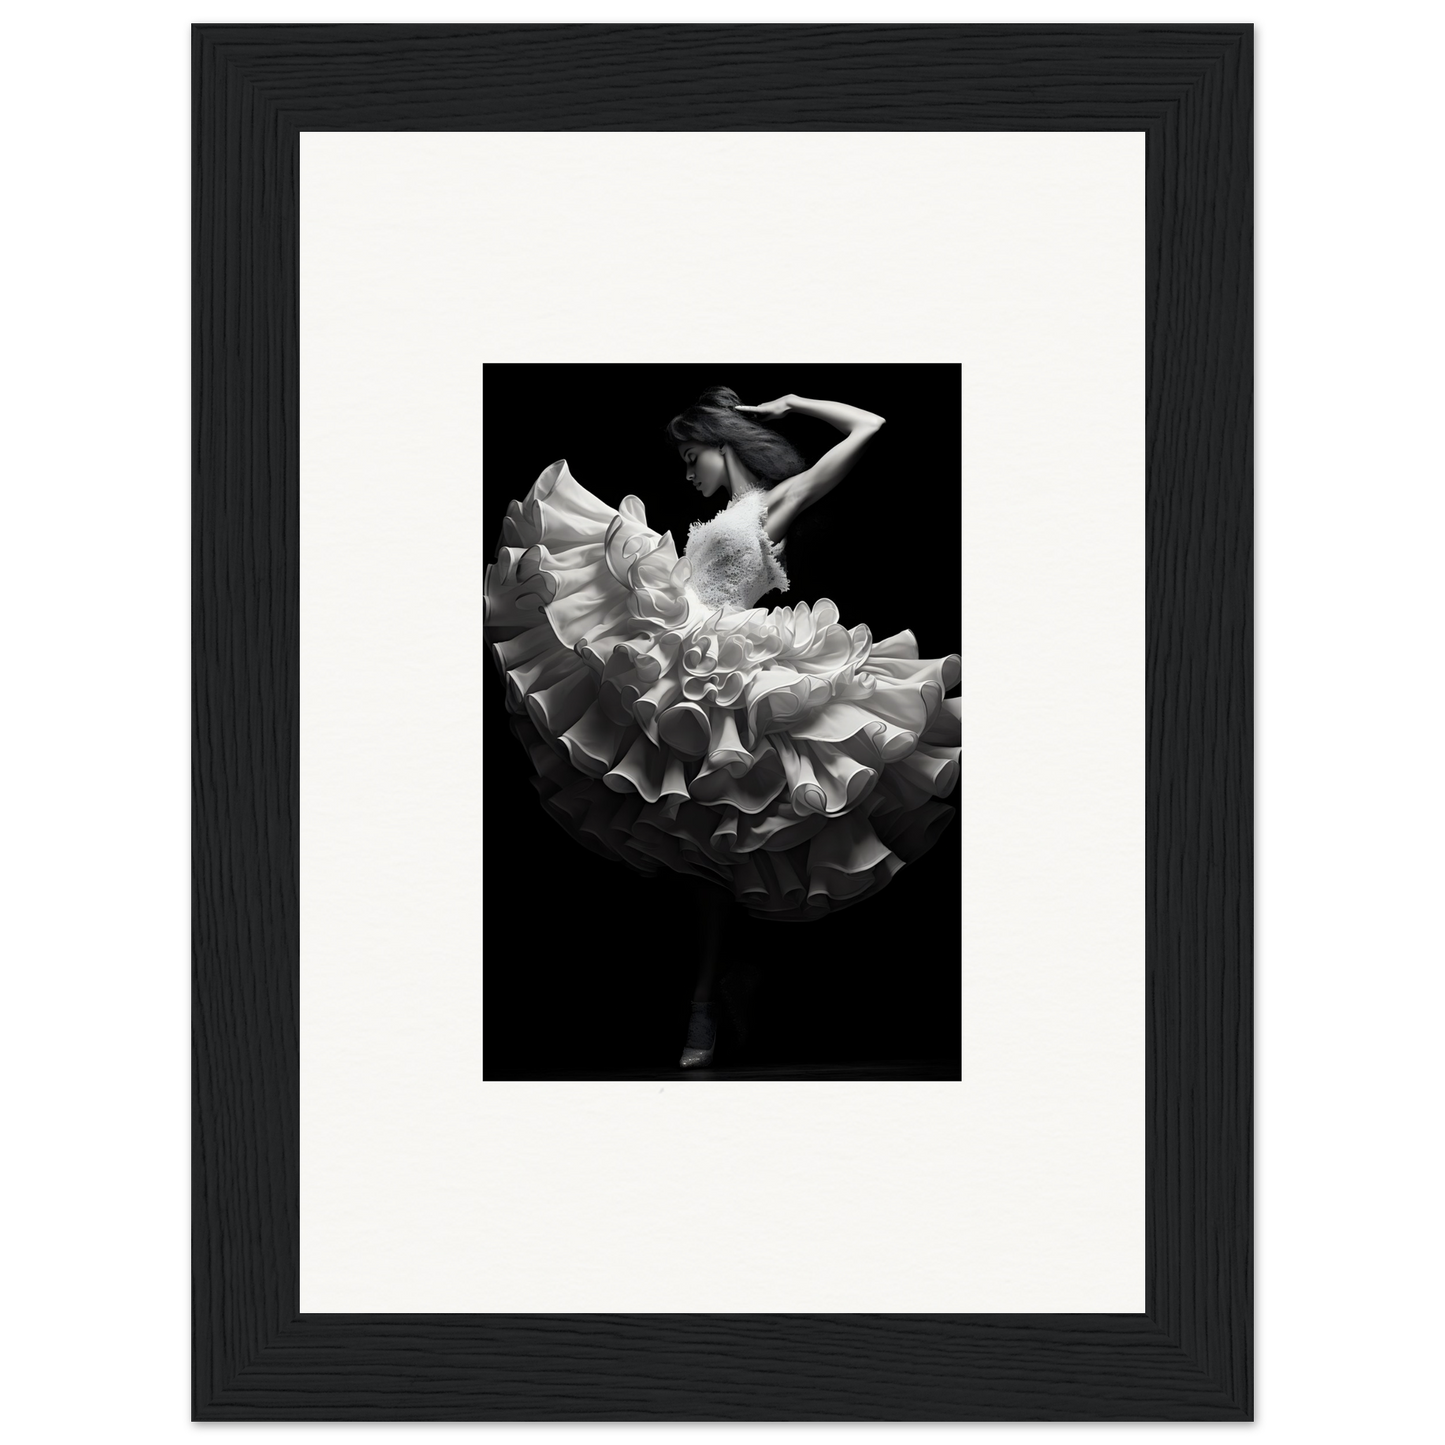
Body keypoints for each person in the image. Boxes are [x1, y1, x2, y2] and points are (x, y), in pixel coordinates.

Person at [484, 386, 961, 1069]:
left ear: (722, 445)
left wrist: (791, 403)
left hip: (733, 666)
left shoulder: (775, 502)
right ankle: (710, 996)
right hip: (681, 653)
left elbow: (871, 426)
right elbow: (682, 587)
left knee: (722, 842)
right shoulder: (724, 512)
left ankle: (709, 999)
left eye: (691, 456)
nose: (686, 473)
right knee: (695, 845)